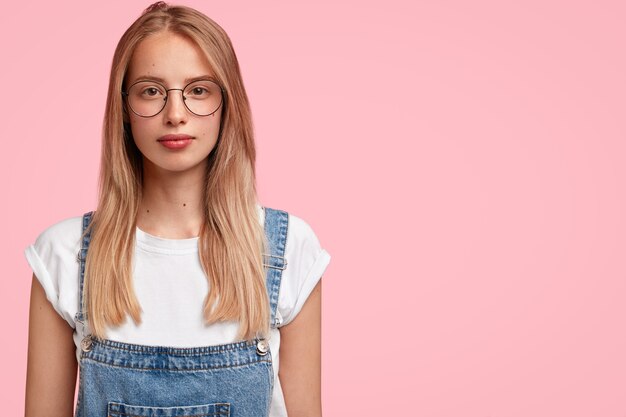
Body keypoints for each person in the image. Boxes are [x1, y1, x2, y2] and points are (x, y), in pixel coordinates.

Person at [23, 2, 331, 416]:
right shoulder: (64, 255)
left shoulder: (286, 250)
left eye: (198, 90)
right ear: (124, 110)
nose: (175, 114)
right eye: (150, 91)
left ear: (227, 105)